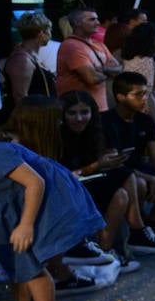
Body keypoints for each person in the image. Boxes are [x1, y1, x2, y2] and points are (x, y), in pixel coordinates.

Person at [0, 97, 104, 301]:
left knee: (29, 262)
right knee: (13, 261)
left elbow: (35, 182)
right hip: (13, 209)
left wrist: (26, 225)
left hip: (44, 205)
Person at [101, 72, 155, 255]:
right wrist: (151, 178)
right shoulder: (106, 121)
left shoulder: (145, 120)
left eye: (145, 94)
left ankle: (149, 226)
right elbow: (115, 162)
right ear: (120, 97)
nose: (144, 99)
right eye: (138, 95)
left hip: (139, 168)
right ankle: (137, 234)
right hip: (119, 172)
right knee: (141, 184)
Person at [58, 90, 137, 264]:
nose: (79, 118)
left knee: (123, 189)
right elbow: (63, 175)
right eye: (72, 113)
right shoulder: (58, 137)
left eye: (84, 112)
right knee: (125, 177)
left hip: (89, 184)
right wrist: (96, 166)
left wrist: (109, 159)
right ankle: (137, 230)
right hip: (67, 190)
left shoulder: (93, 133)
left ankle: (105, 250)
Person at [55, 7, 122, 111]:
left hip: (100, 108)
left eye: (97, 19)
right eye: (92, 19)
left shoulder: (99, 44)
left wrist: (104, 70)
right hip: (78, 111)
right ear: (77, 23)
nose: (98, 23)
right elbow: (92, 78)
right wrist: (108, 72)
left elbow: (119, 69)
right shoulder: (71, 45)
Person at [121, 22, 155, 134]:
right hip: (149, 117)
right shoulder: (145, 61)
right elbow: (146, 94)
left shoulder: (136, 58)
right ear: (152, 40)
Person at [4, 11, 56, 108]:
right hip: (31, 119)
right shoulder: (21, 59)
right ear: (41, 33)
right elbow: (20, 98)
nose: (50, 34)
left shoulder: (30, 55)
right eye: (50, 30)